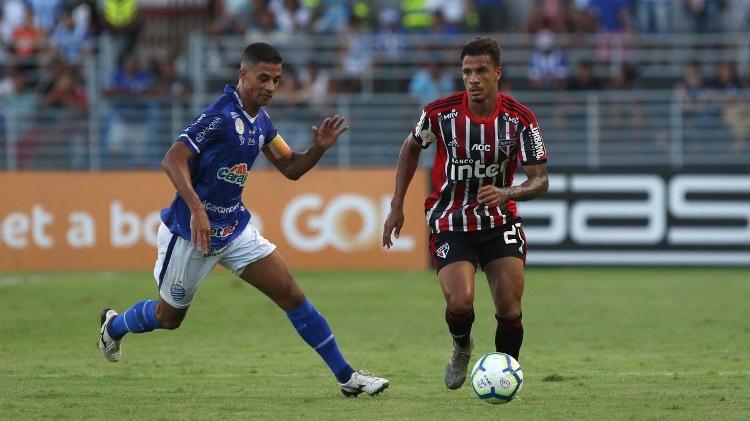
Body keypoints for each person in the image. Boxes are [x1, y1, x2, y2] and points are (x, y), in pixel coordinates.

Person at [97, 43, 389, 397]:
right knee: (168, 318)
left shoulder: (262, 123)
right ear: (242, 75)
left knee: (291, 294)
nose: (270, 86)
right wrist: (197, 210)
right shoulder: (219, 115)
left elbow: (290, 168)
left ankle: (348, 378)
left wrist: (317, 150)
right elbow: (173, 159)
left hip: (234, 230)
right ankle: (114, 327)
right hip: (192, 234)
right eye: (263, 78)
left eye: (277, 80)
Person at [382, 37, 549, 390]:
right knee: (460, 301)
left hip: (499, 221)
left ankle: (506, 375)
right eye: (467, 72)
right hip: (451, 220)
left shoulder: (520, 119)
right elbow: (410, 148)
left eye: (481, 71)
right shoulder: (440, 113)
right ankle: (461, 346)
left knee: (510, 309)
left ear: (497, 74)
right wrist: (397, 205)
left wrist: (507, 193)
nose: (473, 79)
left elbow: (540, 181)